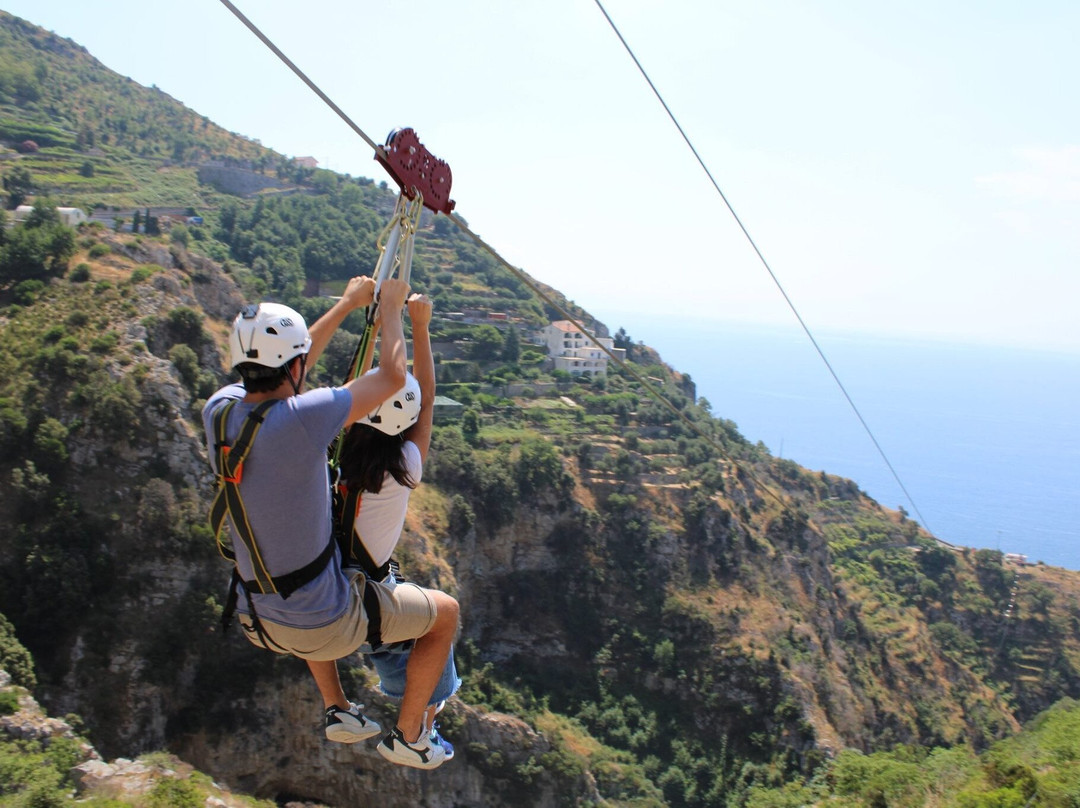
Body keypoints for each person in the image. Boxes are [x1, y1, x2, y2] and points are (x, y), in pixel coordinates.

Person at [202, 276, 458, 770]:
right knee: (443, 613)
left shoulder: (220, 411)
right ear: (296, 364)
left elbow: (287, 374)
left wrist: (344, 306)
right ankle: (409, 736)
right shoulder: (302, 423)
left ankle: (337, 707)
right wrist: (387, 311)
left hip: (257, 616)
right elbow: (390, 377)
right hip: (326, 624)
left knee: (310, 569)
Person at [333, 291, 460, 758]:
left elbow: (350, 391)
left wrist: (379, 322)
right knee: (438, 631)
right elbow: (424, 405)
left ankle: (374, 714)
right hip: (370, 592)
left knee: (398, 646)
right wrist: (418, 326)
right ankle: (414, 733)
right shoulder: (403, 464)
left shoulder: (336, 449)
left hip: (331, 582)